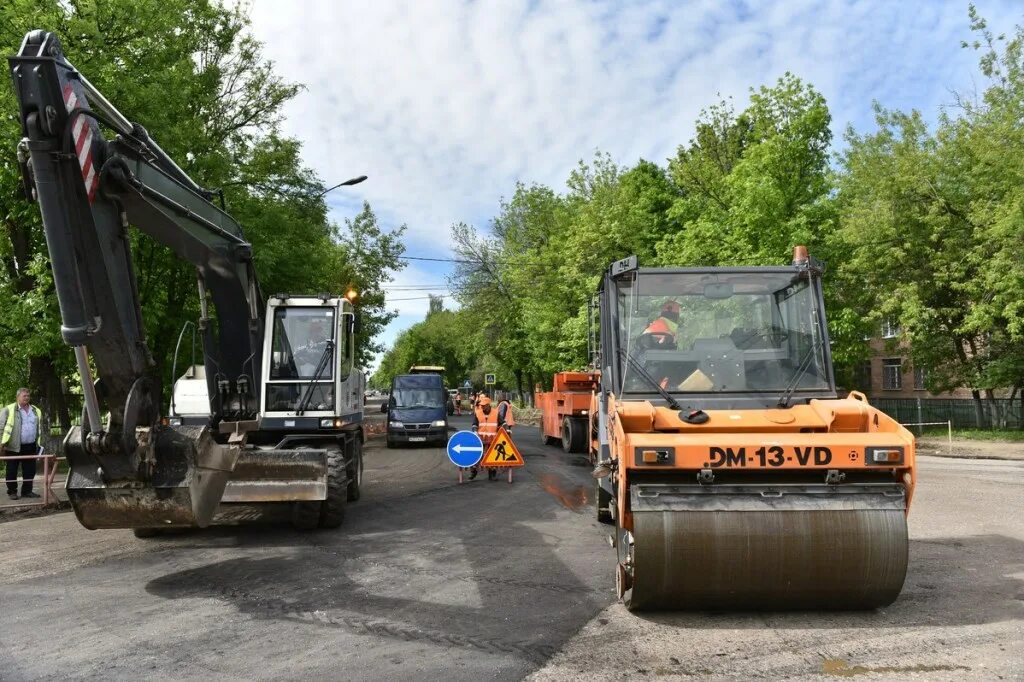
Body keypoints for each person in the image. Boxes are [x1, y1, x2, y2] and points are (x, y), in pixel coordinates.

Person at [0, 388, 43, 500]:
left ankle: (27, 491)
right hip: (13, 447)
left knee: (30, 471)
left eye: (28, 396)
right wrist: (1, 444)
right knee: (11, 471)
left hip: (30, 445)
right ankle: (12, 492)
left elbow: (38, 428)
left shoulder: (35, 410)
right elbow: (0, 428)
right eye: (24, 396)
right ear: (17, 397)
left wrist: (38, 444)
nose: (27, 398)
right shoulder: (8, 410)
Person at [468, 396, 510, 481]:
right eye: (481, 405)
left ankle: (492, 474)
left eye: (484, 405)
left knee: (491, 457)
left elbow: (503, 423)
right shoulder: (478, 413)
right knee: (476, 456)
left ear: (488, 405)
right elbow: (474, 424)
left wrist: (506, 430)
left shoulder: (495, 413)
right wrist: (475, 431)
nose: (482, 407)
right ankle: (473, 471)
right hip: (480, 439)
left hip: (492, 439)